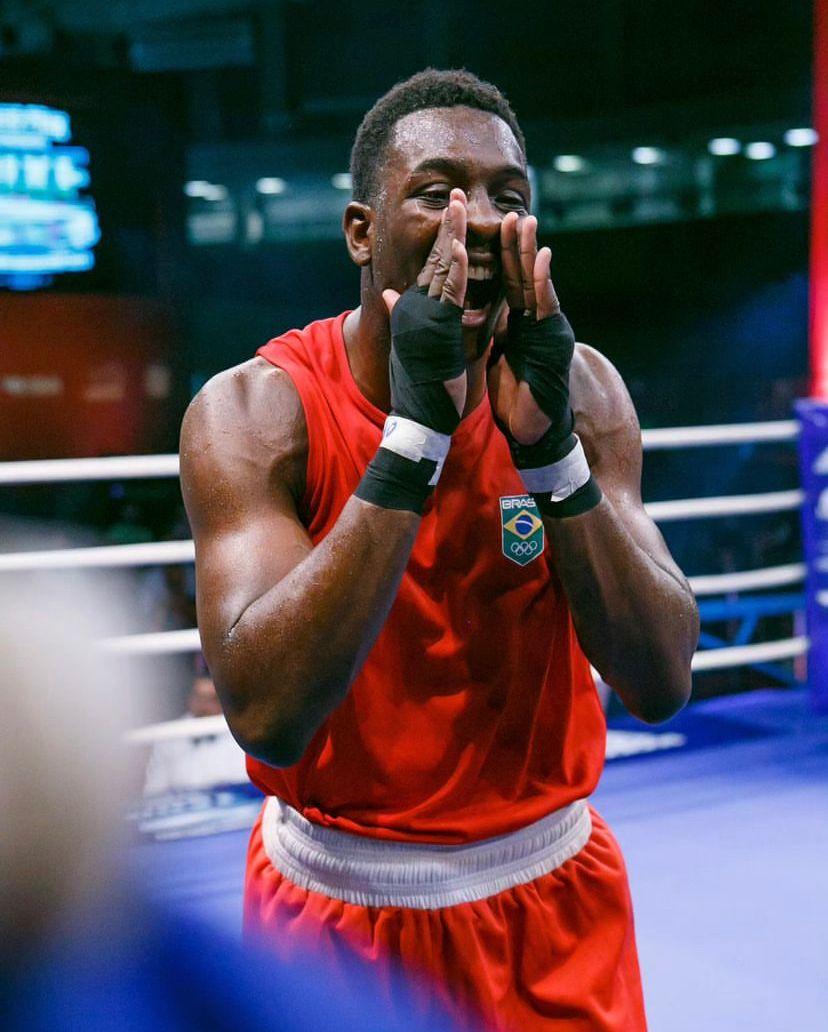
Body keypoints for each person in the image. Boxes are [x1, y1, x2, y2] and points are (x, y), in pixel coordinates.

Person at [180, 69, 699, 1031]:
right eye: (437, 191)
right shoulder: (256, 413)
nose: (482, 221)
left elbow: (661, 679)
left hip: (552, 906)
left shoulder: (580, 392)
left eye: (511, 197)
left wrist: (551, 456)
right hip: (338, 921)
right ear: (360, 232)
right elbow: (267, 712)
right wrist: (413, 439)